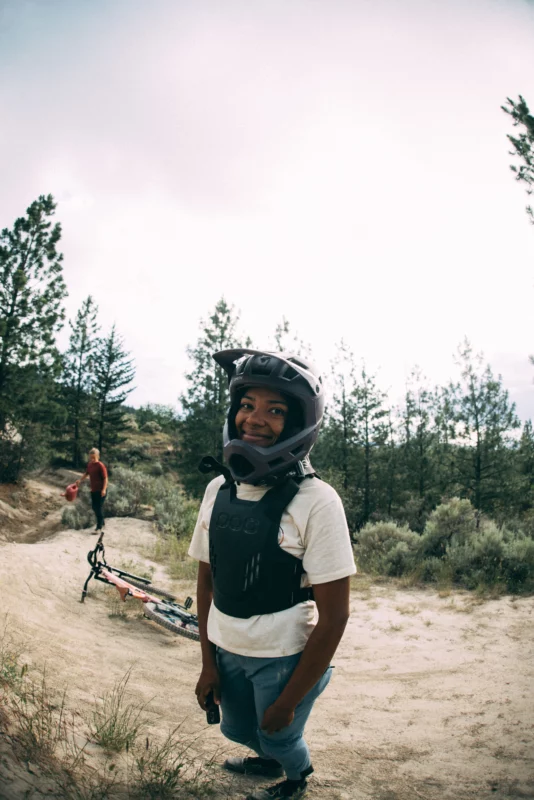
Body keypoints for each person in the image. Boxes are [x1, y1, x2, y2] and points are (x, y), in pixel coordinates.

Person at [188, 349, 356, 800]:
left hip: (284, 659)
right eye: (247, 405)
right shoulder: (217, 491)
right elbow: (207, 581)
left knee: (279, 731)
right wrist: (208, 662)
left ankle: (296, 777)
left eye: (275, 409)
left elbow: (335, 616)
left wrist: (288, 699)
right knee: (238, 729)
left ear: (300, 421)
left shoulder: (317, 501)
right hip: (228, 648)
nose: (255, 419)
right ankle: (266, 759)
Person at [76, 447, 108, 533]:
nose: (92, 459)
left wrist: (104, 489)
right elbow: (87, 473)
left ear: (98, 456)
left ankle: (99, 527)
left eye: (94, 457)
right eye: (91, 457)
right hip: (94, 490)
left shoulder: (101, 466)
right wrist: (80, 480)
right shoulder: (90, 465)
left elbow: (105, 478)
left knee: (98, 508)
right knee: (94, 507)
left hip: (101, 490)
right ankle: (102, 522)